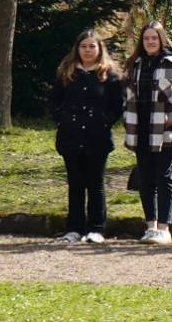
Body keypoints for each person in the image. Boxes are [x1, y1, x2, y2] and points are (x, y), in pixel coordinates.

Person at [48, 29, 123, 244]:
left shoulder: (109, 74)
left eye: (92, 46)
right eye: (84, 46)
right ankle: (74, 227)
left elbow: (117, 105)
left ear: (100, 49)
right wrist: (62, 120)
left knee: (95, 183)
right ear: (77, 49)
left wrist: (103, 121)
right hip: (71, 136)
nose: (88, 50)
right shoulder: (67, 72)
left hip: (97, 137)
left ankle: (96, 227)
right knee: (75, 183)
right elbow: (54, 101)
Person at [122, 22, 172, 244]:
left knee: (164, 178)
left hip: (164, 131)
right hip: (139, 129)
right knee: (146, 179)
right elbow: (125, 95)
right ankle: (150, 225)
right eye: (146, 38)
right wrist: (127, 117)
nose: (150, 42)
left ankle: (164, 227)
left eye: (154, 38)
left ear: (161, 39)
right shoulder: (134, 64)